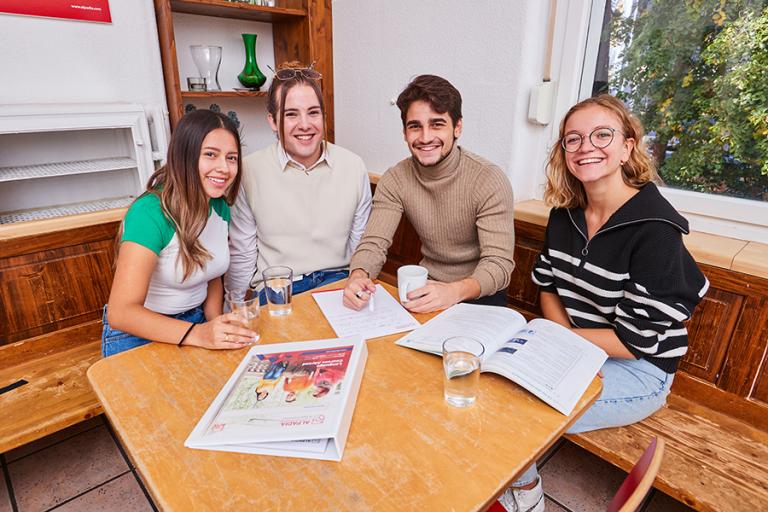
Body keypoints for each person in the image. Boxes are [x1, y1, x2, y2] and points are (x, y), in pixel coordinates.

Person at [498, 95, 708, 512]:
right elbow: (548, 287)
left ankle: (525, 495)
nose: (586, 147)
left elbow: (635, 341)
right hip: (581, 349)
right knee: (498, 384)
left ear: (627, 147)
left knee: (518, 413)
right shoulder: (565, 215)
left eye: (602, 135)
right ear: (563, 152)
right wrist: (558, 337)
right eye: (572, 139)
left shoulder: (656, 230)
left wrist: (563, 342)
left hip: (642, 371)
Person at [343, 75, 515, 313]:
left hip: (480, 297)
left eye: (437, 124)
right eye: (415, 126)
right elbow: (374, 243)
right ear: (405, 132)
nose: (425, 137)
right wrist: (358, 275)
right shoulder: (395, 179)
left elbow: (499, 265)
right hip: (426, 289)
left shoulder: (487, 179)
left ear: (457, 127)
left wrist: (453, 292)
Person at [102, 109, 257, 357]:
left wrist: (216, 322)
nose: (224, 168)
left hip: (196, 321)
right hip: (140, 334)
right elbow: (121, 313)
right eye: (210, 155)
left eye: (232, 158)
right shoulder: (149, 212)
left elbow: (212, 272)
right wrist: (199, 334)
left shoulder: (219, 205)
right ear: (184, 156)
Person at [227, 63, 372, 302]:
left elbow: (362, 246)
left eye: (313, 112)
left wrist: (359, 284)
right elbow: (243, 253)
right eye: (291, 114)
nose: (305, 124)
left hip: (338, 283)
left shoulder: (354, 166)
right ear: (273, 121)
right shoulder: (249, 171)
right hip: (278, 288)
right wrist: (235, 306)